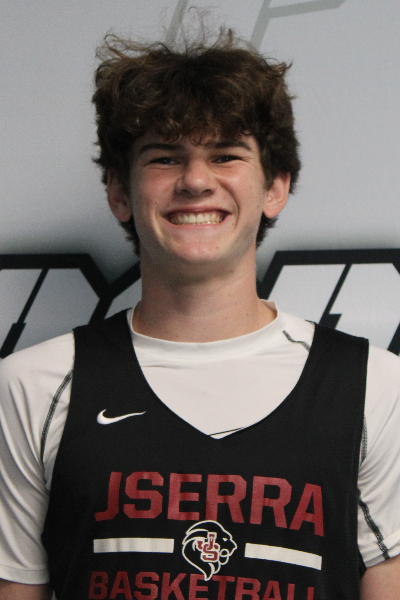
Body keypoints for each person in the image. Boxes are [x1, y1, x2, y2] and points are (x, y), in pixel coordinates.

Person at [0, 27, 399, 600]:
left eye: (225, 155)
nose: (194, 181)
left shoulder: (374, 386)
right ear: (119, 192)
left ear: (275, 187)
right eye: (165, 158)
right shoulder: (33, 386)